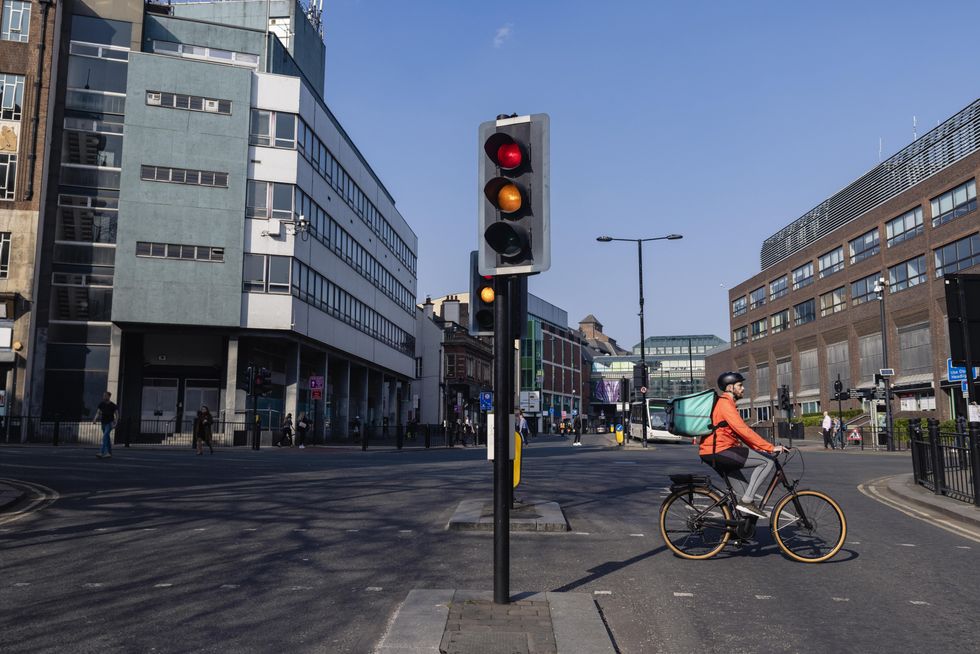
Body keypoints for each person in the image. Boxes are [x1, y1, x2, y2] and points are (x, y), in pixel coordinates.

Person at [700, 372, 787, 519]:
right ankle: (746, 502)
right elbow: (743, 430)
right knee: (767, 461)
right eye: (740, 385)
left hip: (714, 451)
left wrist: (761, 448)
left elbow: (740, 434)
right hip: (720, 450)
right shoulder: (725, 403)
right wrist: (770, 448)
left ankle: (736, 534)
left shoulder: (726, 403)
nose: (743, 388)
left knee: (746, 501)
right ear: (729, 387)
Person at [93, 391, 118, 459]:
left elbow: (116, 414)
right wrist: (95, 419)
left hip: (110, 423)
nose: (104, 397)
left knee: (105, 437)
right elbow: (98, 412)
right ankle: (109, 453)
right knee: (107, 438)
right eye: (103, 395)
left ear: (109, 396)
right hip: (103, 422)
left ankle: (101, 452)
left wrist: (115, 423)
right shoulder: (101, 404)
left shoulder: (113, 405)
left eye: (105, 396)